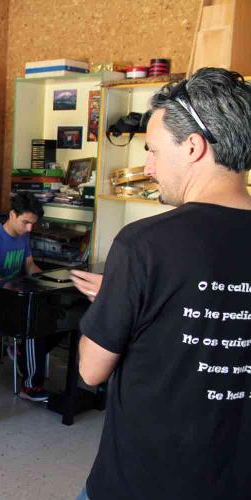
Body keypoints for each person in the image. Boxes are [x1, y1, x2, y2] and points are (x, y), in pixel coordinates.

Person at [76, 68, 251, 500]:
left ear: (193, 147)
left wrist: (116, 302)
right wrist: (128, 295)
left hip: (143, 480)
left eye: (153, 150)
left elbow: (90, 370)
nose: (148, 166)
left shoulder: (145, 244)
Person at [0, 192, 63, 402]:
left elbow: (30, 266)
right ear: (12, 215)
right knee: (34, 324)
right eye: (26, 222)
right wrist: (5, 284)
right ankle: (30, 386)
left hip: (16, 297)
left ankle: (22, 351)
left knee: (58, 317)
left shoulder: (23, 237)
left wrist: (47, 280)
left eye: (32, 224)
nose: (29, 228)